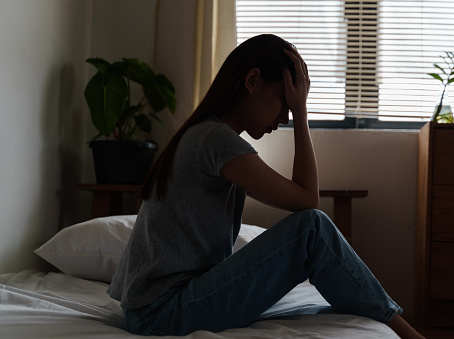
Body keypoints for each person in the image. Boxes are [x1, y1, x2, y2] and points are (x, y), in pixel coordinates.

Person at [107, 34, 424, 338]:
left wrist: (295, 106)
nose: (285, 117)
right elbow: (307, 199)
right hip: (162, 313)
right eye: (284, 102)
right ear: (252, 80)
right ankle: (406, 332)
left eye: (291, 108)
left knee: (311, 229)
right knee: (312, 229)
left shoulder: (206, 134)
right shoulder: (214, 138)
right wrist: (302, 111)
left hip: (156, 308)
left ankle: (394, 324)